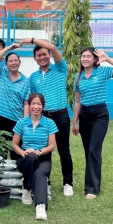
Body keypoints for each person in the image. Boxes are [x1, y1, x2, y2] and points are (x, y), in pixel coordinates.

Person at [72, 48, 113, 199]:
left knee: (94, 150)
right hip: (84, 114)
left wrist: (108, 59)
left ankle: (92, 190)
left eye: (88, 56)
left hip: (100, 114)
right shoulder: (78, 78)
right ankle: (90, 185)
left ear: (94, 59)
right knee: (88, 151)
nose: (85, 59)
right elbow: (77, 102)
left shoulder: (102, 72)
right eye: (83, 56)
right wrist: (75, 121)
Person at [20, 37, 74, 197]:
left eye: (44, 54)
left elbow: (52, 46)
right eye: (38, 56)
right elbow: (31, 102)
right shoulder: (33, 77)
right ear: (34, 58)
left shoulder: (60, 68)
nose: (42, 57)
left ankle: (68, 183)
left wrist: (31, 40)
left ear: (49, 55)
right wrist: (27, 120)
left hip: (60, 115)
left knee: (64, 151)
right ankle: (45, 181)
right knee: (44, 151)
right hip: (42, 118)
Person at [12, 93, 57, 221]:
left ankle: (41, 206)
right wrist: (23, 152)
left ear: (43, 106)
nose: (36, 106)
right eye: (33, 103)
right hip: (25, 158)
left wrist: (39, 152)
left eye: (39, 104)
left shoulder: (49, 123)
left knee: (39, 173)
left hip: (43, 158)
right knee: (31, 158)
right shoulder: (21, 123)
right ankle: (26, 189)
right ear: (29, 105)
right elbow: (14, 144)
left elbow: (52, 146)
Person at [0, 43, 30, 158]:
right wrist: (9, 48)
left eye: (16, 60)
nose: (13, 63)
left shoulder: (26, 81)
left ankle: (17, 175)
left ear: (20, 62)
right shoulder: (1, 74)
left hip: (16, 121)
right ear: (6, 64)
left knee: (16, 152)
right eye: (10, 61)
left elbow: (26, 103)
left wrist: (25, 123)